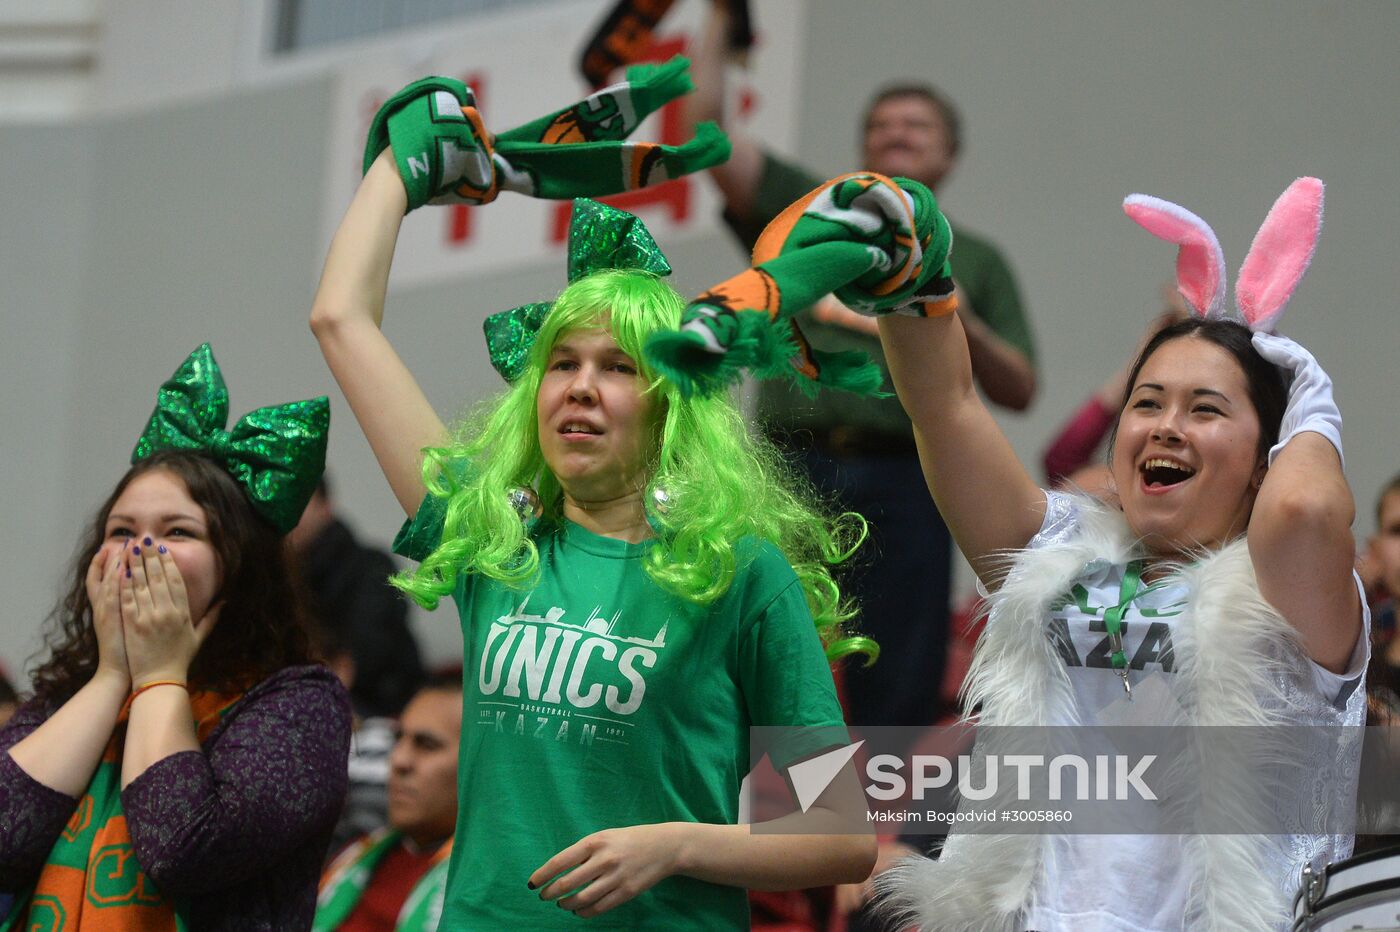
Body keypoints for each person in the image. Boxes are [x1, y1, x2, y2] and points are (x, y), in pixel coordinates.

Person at [310, 133, 876, 924]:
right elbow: (340, 319)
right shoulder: (493, 539)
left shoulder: (740, 572)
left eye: (618, 367)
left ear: (672, 402)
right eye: (562, 363)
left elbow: (837, 837)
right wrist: (393, 172)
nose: (580, 387)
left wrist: (675, 845)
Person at [875, 179, 1367, 930]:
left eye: (1206, 409)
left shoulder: (1291, 599)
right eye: (1148, 401)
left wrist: (1309, 392)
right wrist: (905, 277)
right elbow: (945, 404)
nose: (1167, 426)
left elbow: (1305, 508)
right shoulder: (1055, 553)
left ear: (1270, 455)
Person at [683, 0, 1036, 740]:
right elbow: (706, 136)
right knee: (760, 644)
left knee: (900, 666)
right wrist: (719, 16)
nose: (897, 135)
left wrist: (957, 311)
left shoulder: (975, 256)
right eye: (882, 125)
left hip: (912, 474)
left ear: (948, 158)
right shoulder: (807, 213)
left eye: (918, 127)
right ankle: (758, 828)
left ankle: (875, 839)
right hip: (786, 463)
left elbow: (1020, 385)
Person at [0, 344, 352, 930]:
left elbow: (182, 848)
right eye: (121, 531)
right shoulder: (66, 697)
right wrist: (114, 676)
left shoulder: (301, 702)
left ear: (237, 565)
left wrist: (160, 676)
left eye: (177, 531)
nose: (141, 550)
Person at [315, 679, 462, 931]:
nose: (398, 760)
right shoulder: (353, 854)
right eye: (398, 739)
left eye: (427, 745)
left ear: (481, 767)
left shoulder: (488, 890)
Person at [291, 476, 425, 719]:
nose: (288, 516)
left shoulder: (370, 565)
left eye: (297, 503)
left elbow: (367, 650)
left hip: (383, 710)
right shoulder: (282, 577)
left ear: (325, 507)